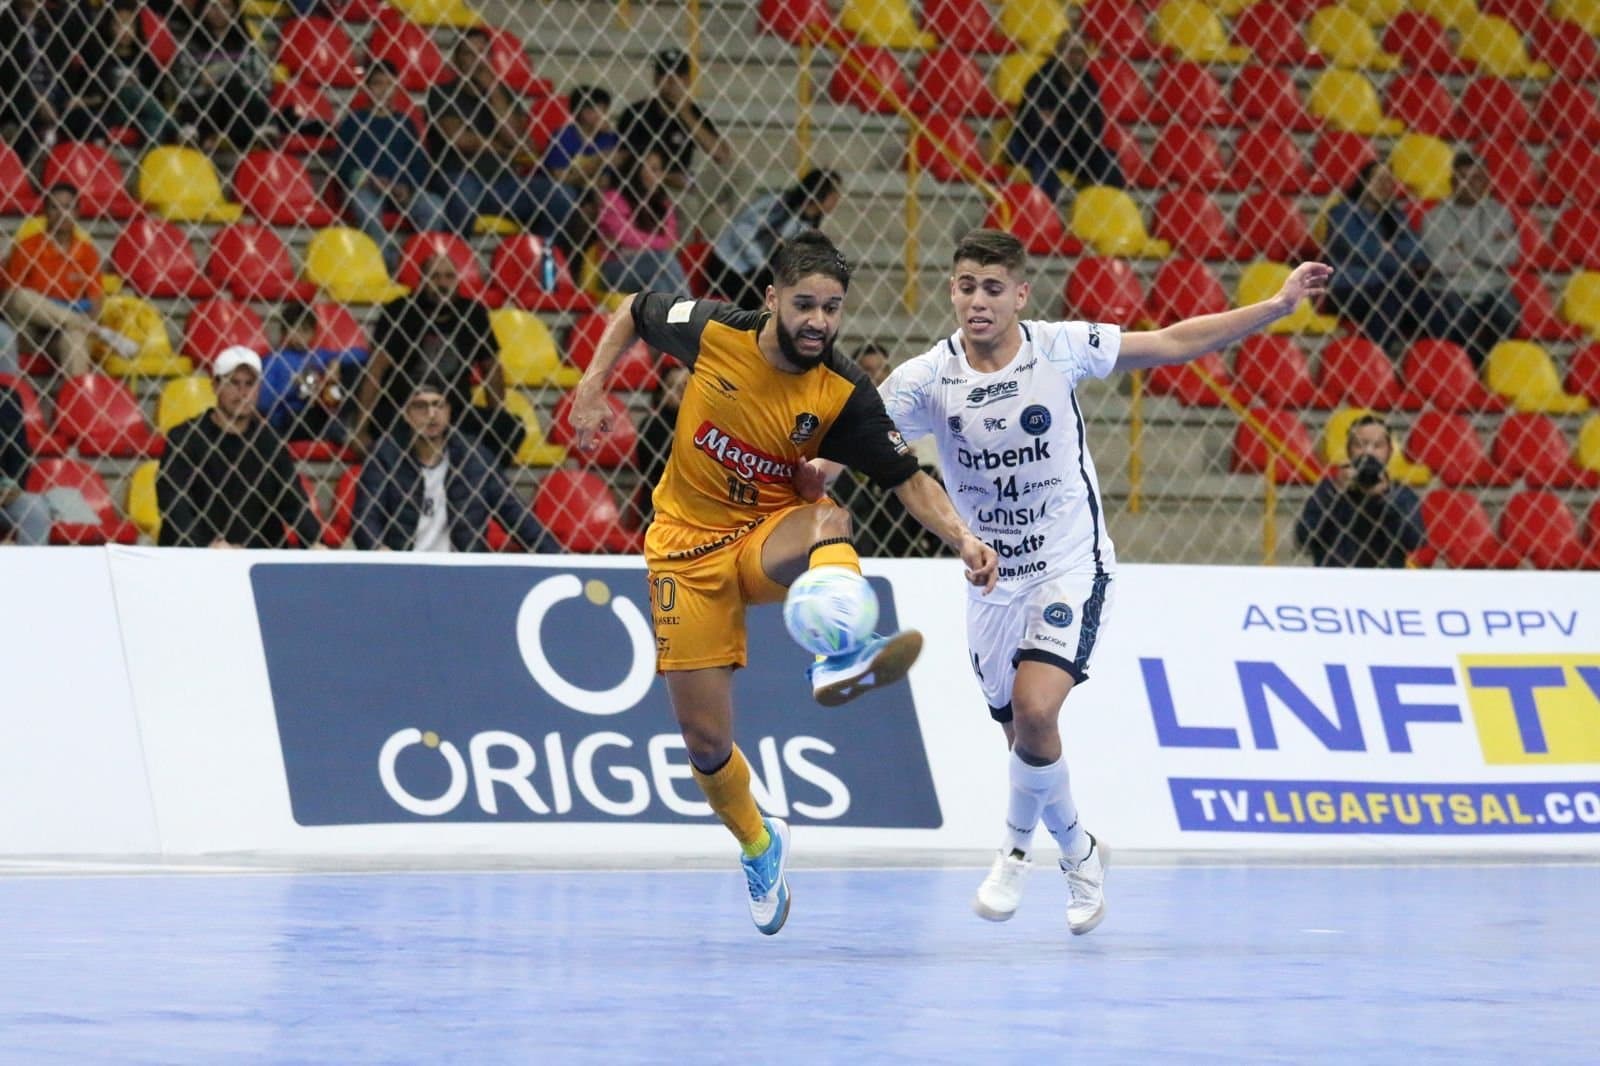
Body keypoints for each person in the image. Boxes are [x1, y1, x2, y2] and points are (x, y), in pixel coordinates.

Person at [854, 229, 1329, 934]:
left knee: (1038, 709)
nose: (978, 301)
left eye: (993, 288)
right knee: (1023, 741)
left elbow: (1170, 342)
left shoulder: (1060, 347)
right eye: (965, 286)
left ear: (1021, 294)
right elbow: (849, 438)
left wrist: (1277, 306)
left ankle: (1014, 855)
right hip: (990, 580)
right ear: (951, 291)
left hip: (1068, 562)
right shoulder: (927, 378)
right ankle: (1079, 848)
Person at [566, 230, 999, 936]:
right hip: (682, 554)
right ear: (770, 300)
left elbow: (905, 480)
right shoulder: (714, 333)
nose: (819, 323)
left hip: (765, 539)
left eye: (832, 308)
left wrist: (963, 537)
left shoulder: (842, 391)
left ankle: (842, 652)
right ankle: (760, 843)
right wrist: (593, 383)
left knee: (829, 515)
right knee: (704, 741)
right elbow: (635, 308)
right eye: (805, 305)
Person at [356, 253, 524, 468]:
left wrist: (495, 415)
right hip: (405, 410)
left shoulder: (473, 314)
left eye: (449, 277)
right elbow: (376, 368)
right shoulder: (400, 311)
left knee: (510, 426)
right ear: (421, 281)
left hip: (455, 412)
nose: (442, 283)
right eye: (434, 277)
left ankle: (477, 483)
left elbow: (491, 369)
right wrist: (360, 429)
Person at [353, 378, 556, 552]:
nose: (431, 414)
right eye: (420, 406)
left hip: (460, 573)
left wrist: (564, 560)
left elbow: (517, 516)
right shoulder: (385, 456)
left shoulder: (475, 457)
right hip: (404, 570)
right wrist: (380, 552)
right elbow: (365, 519)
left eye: (438, 405)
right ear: (406, 414)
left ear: (448, 412)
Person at [157, 347, 325, 548]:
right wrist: (207, 546)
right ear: (215, 385)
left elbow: (294, 503)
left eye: (250, 383)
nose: (243, 392)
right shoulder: (185, 438)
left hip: (257, 557)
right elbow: (174, 505)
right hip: (199, 559)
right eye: (234, 383)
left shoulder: (269, 443)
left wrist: (315, 542)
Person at [426, 29, 579, 249]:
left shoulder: (503, 94)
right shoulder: (442, 93)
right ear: (456, 60)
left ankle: (542, 261)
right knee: (463, 193)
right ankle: (458, 262)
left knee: (561, 195)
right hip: (459, 176)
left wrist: (493, 91)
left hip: (504, 184)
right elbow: (460, 140)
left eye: (482, 53)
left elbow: (515, 138)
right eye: (469, 54)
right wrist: (503, 149)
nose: (477, 60)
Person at [2, 184, 137, 379]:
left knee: (75, 338)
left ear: (77, 212)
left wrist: (81, 322)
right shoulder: (26, 247)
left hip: (63, 333)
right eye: (54, 208)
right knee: (21, 296)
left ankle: (76, 404)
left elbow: (96, 301)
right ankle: (97, 331)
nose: (61, 214)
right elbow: (9, 300)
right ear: (45, 212)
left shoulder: (87, 253)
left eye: (67, 207)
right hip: (30, 333)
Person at [616, 47, 753, 240]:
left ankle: (741, 238)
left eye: (678, 75)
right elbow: (625, 162)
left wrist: (685, 113)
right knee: (688, 204)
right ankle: (681, 265)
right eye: (664, 74)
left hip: (687, 183)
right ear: (655, 79)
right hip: (654, 187)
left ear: (687, 80)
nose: (671, 81)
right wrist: (667, 178)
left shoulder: (693, 112)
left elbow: (721, 155)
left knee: (741, 173)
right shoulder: (636, 113)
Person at [1322, 162, 1448, 357]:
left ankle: (1439, 360)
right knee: (1387, 300)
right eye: (1378, 179)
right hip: (1350, 286)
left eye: (1388, 181)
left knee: (1436, 303)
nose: (1384, 185)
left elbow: (1418, 251)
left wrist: (1389, 249)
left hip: (1394, 285)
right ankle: (1375, 361)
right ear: (1364, 182)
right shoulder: (1342, 212)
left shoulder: (1396, 216)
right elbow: (1361, 250)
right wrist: (1395, 257)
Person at [336, 62, 450, 271]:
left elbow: (419, 164)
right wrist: (370, 180)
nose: (383, 90)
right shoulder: (353, 122)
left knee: (434, 206)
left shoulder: (404, 124)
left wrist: (406, 186)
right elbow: (343, 164)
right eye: (378, 84)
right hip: (367, 189)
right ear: (367, 88)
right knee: (364, 206)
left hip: (400, 190)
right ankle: (390, 264)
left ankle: (421, 261)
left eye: (389, 84)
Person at [1419, 151, 1522, 368]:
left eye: (1477, 178)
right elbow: (1440, 262)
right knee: (1458, 317)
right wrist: (1489, 247)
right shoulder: (1434, 216)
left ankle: (1492, 367)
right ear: (1452, 182)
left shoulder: (1500, 213)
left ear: (1486, 181)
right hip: (1451, 288)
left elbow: (1511, 255)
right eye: (1464, 178)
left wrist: (1464, 247)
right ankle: (1473, 368)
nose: (1471, 184)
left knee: (1509, 311)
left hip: (1494, 287)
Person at [1007, 29, 1124, 203]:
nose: (1073, 57)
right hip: (1033, 145)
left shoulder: (1089, 84)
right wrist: (1077, 124)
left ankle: (1108, 212)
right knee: (1046, 160)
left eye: (1079, 52)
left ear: (1085, 56)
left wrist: (1056, 122)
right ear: (1058, 53)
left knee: (1108, 160)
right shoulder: (1039, 81)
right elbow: (1037, 130)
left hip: (1073, 148)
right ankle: (1045, 216)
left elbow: (1095, 130)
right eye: (1068, 50)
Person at [1295, 413, 1423, 568]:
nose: (1368, 452)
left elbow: (1415, 541)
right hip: (1335, 582)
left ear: (1389, 452)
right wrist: (1336, 492)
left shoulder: (1401, 493)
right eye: (1360, 445)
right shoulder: (1328, 489)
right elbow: (1304, 537)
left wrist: (1386, 498)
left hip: (1384, 582)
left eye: (1377, 446)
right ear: (1349, 450)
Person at [706, 168, 842, 309]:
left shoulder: (809, 225)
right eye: (835, 192)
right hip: (730, 265)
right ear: (821, 192)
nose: (837, 198)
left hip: (757, 274)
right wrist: (761, 263)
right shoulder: (778, 204)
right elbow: (741, 231)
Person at [56, 0, 177, 147]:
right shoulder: (98, 56)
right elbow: (92, 92)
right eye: (119, 25)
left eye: (130, 25)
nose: (125, 31)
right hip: (110, 111)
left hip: (138, 114)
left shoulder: (145, 59)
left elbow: (157, 93)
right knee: (132, 92)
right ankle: (176, 130)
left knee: (153, 127)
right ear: (109, 27)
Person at [171, 0, 275, 153]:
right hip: (206, 104)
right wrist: (200, 79)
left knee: (232, 86)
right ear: (203, 8)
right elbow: (178, 86)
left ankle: (254, 134)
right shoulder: (190, 44)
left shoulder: (246, 44)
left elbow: (265, 84)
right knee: (210, 95)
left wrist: (237, 81)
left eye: (226, 6)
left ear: (235, 10)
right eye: (213, 5)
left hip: (238, 105)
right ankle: (196, 134)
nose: (219, 12)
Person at [257, 301, 363, 446]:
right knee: (299, 417)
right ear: (284, 332)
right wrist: (292, 386)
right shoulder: (274, 360)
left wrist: (336, 362)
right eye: (294, 330)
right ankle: (336, 428)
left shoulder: (319, 355)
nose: (299, 336)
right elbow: (263, 403)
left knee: (354, 369)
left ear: (313, 333)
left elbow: (362, 355)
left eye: (305, 331)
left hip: (324, 407)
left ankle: (340, 423)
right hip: (291, 417)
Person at [595, 146, 690, 296]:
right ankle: (691, 313)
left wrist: (647, 247)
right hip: (617, 268)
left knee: (659, 287)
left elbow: (672, 240)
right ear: (636, 171)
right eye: (653, 169)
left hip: (652, 271)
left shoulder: (663, 204)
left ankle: (675, 317)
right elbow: (625, 236)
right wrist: (659, 247)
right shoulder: (614, 197)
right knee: (663, 258)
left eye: (660, 170)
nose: (659, 175)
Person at [624, 359, 688, 528]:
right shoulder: (653, 424)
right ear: (661, 393)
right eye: (674, 386)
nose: (681, 392)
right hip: (659, 507)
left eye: (686, 386)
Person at [543, 84, 620, 196]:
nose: (607, 116)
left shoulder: (609, 138)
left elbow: (605, 182)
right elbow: (560, 178)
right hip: (566, 194)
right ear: (585, 113)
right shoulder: (562, 136)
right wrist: (598, 161)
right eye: (603, 111)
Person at [0, 381, 50, 546]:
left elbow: (19, 453)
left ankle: (31, 570)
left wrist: (11, 485)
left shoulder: (7, 397)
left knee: (36, 508)